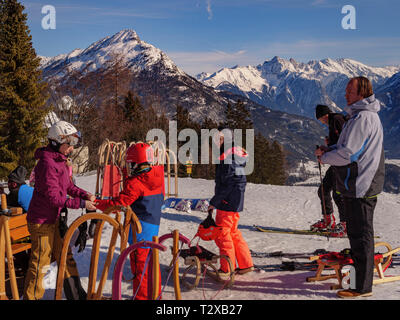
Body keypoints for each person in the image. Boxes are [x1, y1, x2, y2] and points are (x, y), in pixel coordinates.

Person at [316, 76, 385, 299]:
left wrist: (326, 158)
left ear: (362, 93)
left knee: (361, 236)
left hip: (361, 184)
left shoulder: (363, 118)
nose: (346, 94)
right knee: (356, 236)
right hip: (356, 184)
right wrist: (329, 150)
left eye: (350, 91)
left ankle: (361, 287)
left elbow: (348, 154)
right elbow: (346, 147)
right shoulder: (358, 116)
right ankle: (356, 283)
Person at [23, 120, 97, 300]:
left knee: (65, 255)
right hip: (41, 222)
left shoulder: (59, 160)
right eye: (69, 144)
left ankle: (76, 295)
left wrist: (84, 194)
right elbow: (54, 198)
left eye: (73, 144)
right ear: (56, 142)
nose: (72, 148)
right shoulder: (48, 164)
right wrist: (81, 204)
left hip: (52, 220)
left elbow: (68, 187)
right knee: (40, 262)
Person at [95, 142, 164, 300]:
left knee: (139, 266)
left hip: (139, 229)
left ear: (135, 163)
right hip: (153, 226)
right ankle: (156, 295)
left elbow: (118, 204)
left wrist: (98, 203)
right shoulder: (156, 175)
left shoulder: (135, 183)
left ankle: (141, 297)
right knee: (151, 263)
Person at [208, 128, 254, 276]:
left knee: (223, 235)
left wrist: (214, 201)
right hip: (235, 200)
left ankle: (226, 269)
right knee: (234, 233)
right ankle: (246, 264)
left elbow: (227, 182)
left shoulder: (228, 156)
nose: (216, 142)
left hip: (227, 202)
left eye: (219, 139)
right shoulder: (234, 153)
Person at [310, 105, 347, 237]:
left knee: (338, 194)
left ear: (324, 115)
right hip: (336, 162)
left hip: (342, 163)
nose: (321, 122)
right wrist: (328, 145)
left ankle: (345, 225)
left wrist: (327, 150)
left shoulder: (337, 120)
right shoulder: (333, 122)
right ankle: (328, 220)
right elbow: (337, 143)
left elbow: (345, 145)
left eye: (320, 119)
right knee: (323, 190)